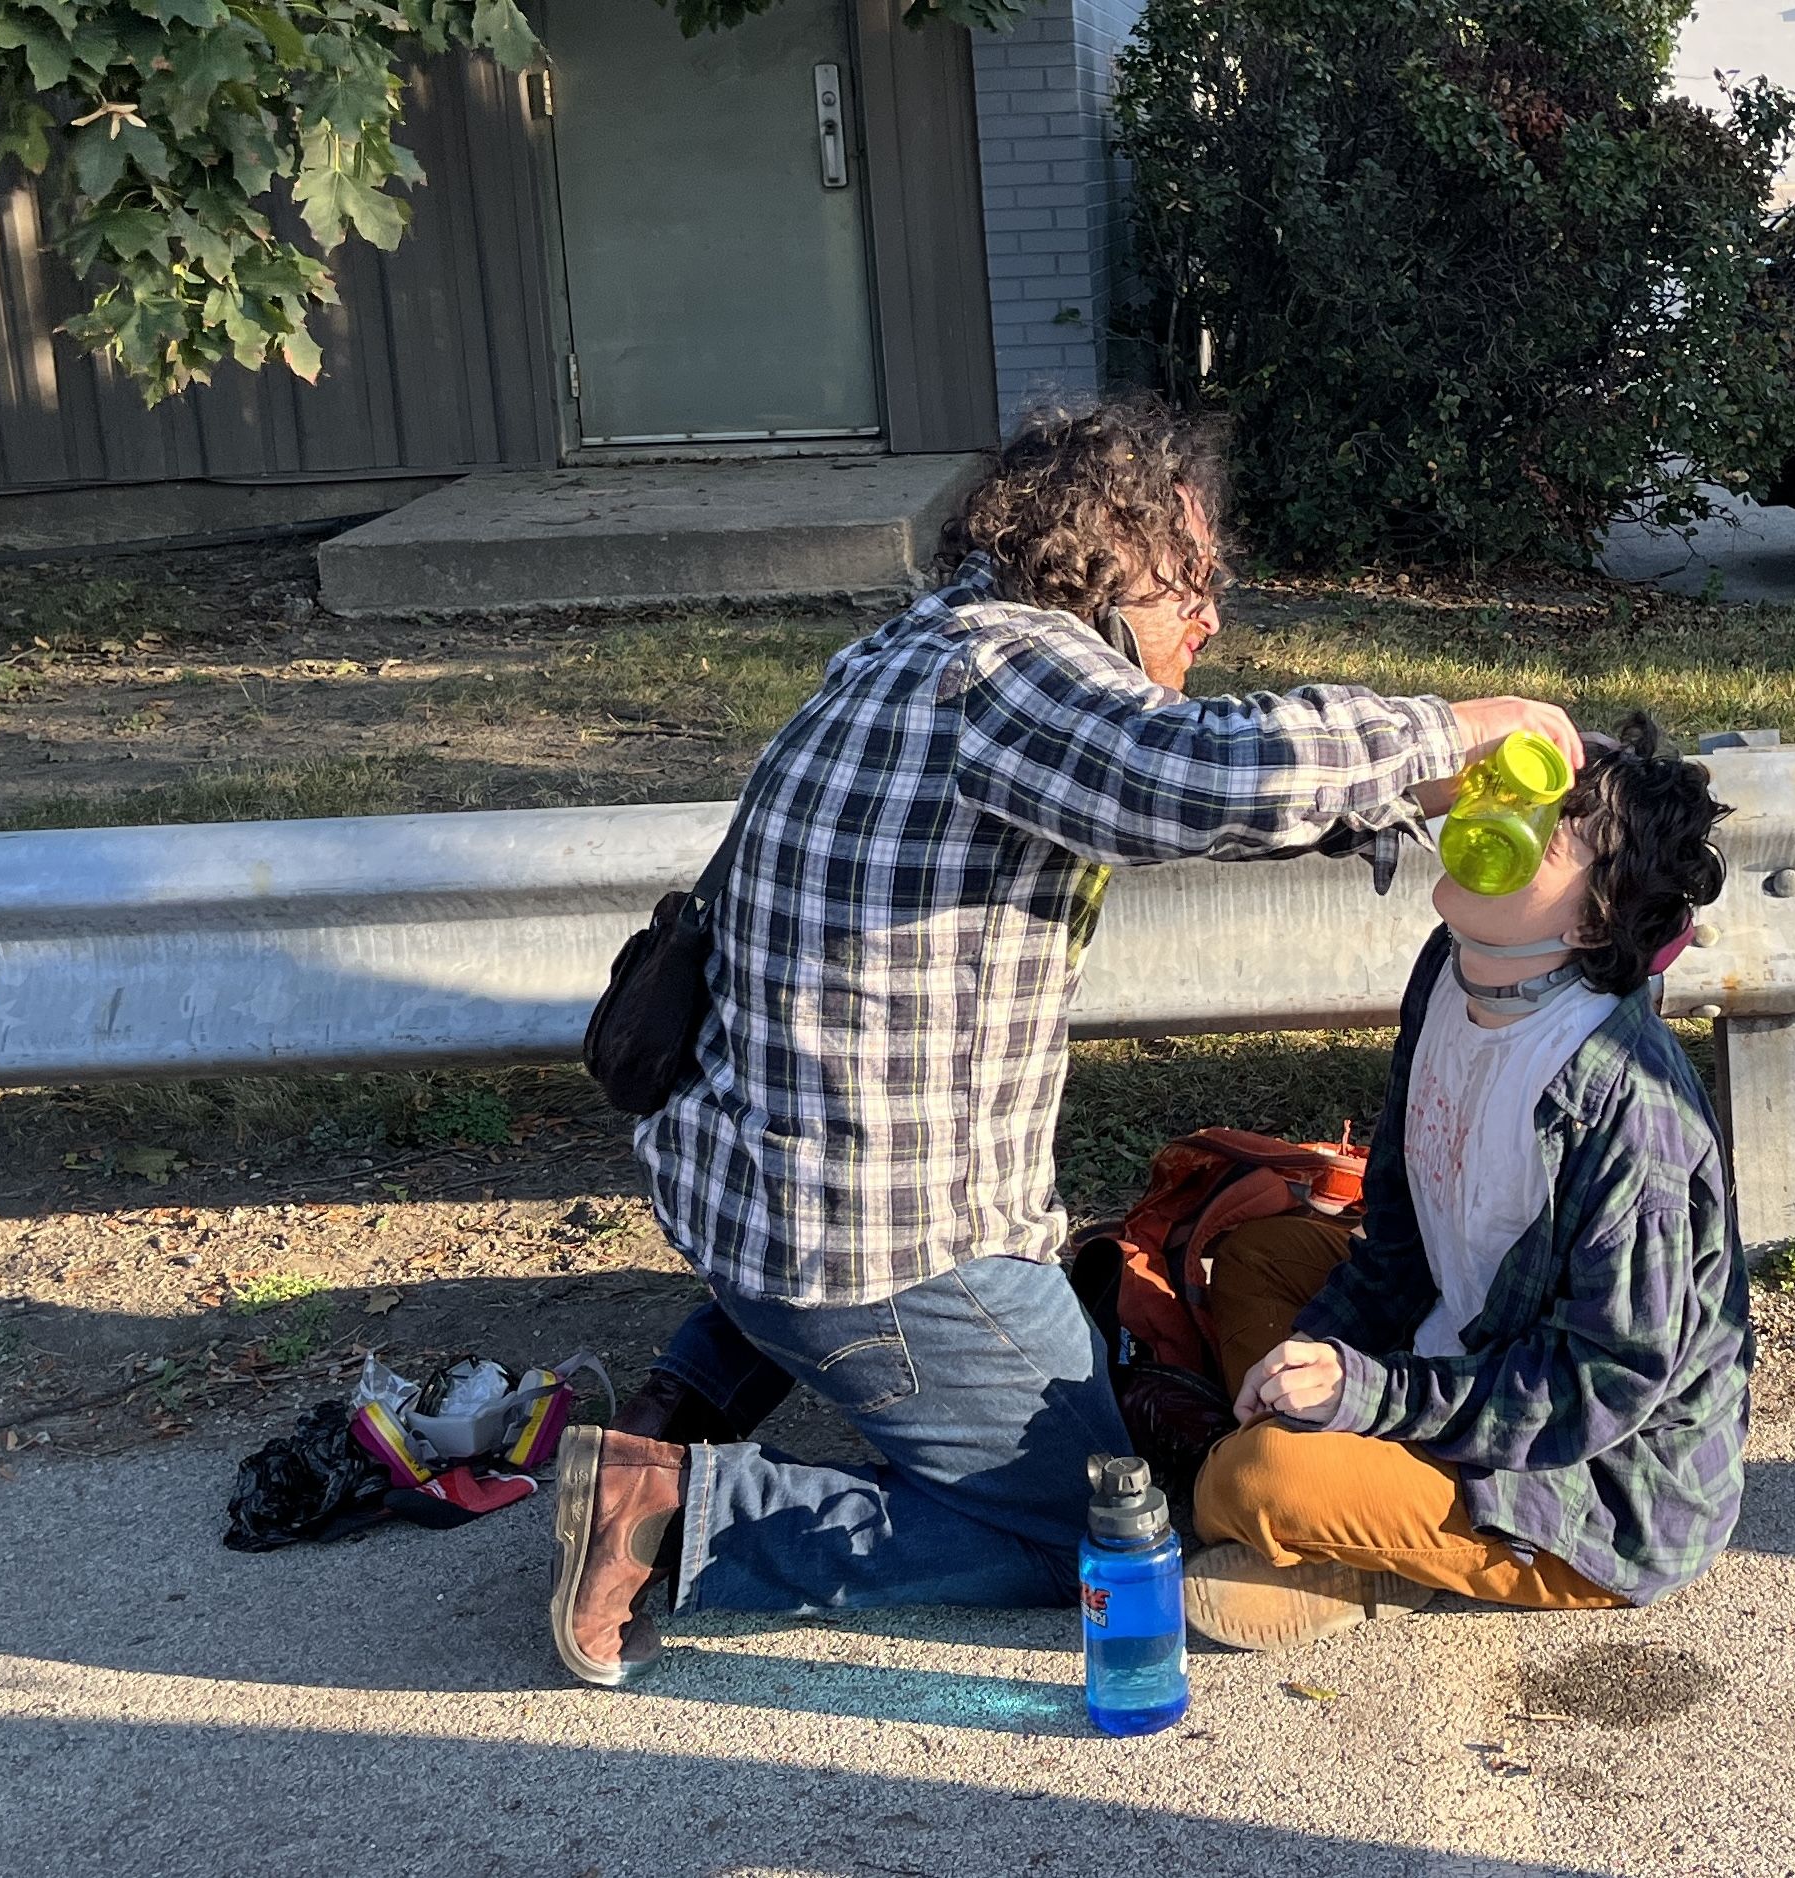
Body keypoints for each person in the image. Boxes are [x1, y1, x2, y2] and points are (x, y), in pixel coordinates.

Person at [548, 398, 1582, 1687]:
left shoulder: (913, 653)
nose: (1211, 615)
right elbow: (1199, 773)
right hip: (881, 1246)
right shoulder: (1010, 674)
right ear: (1099, 558)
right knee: (1100, 1532)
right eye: (1191, 579)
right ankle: (680, 1521)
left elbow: (1145, 787)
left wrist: (1350, 807)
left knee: (1059, 1353)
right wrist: (1461, 728)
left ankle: (677, 1405)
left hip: (747, 1191)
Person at [1178, 713, 1755, 1650]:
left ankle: (1350, 1525)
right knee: (1258, 1255)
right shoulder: (1447, 972)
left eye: (1549, 823)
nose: (1498, 819)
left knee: (1249, 1483)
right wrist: (1320, 1355)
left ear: (1595, 913)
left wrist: (1368, 1396)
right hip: (1455, 1350)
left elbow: (1604, 1385)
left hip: (1586, 1483)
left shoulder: (1628, 1109)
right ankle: (1348, 1516)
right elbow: (1399, 1233)